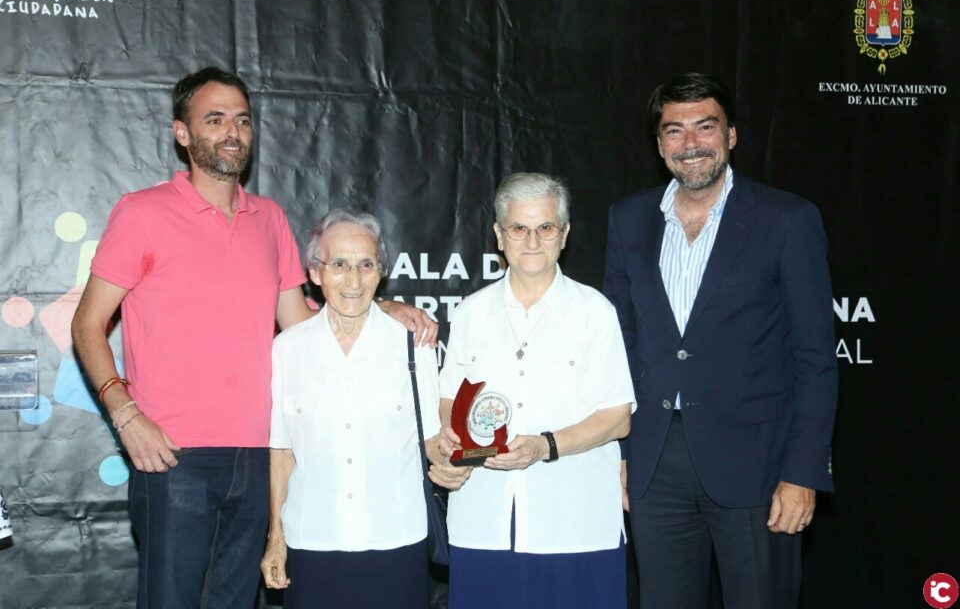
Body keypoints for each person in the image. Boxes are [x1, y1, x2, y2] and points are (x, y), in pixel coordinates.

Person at [70, 67, 436, 609]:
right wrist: (125, 415)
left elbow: (304, 323)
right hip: (173, 457)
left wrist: (374, 304)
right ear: (182, 132)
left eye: (241, 120)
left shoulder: (270, 219)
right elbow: (87, 323)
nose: (232, 132)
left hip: (259, 455)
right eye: (214, 120)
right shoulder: (142, 213)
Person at [604, 72, 838, 608]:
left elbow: (815, 359)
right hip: (654, 460)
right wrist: (617, 452)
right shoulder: (629, 219)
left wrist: (802, 473)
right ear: (659, 144)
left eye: (705, 127)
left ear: (731, 135)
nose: (690, 144)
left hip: (757, 464)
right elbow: (621, 345)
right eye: (674, 131)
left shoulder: (787, 220)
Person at [435, 172, 636, 609]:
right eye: (518, 228)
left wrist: (543, 447)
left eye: (545, 227)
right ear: (498, 236)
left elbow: (617, 416)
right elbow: (451, 402)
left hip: (575, 525)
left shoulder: (594, 312)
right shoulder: (471, 313)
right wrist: (450, 449)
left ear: (563, 235)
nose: (531, 240)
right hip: (484, 522)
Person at [259, 209, 465, 607]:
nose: (353, 280)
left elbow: (430, 440)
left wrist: (456, 458)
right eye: (339, 264)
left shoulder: (412, 343)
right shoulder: (288, 348)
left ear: (380, 272)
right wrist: (276, 538)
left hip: (396, 540)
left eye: (365, 265)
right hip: (312, 540)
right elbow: (281, 451)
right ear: (315, 273)